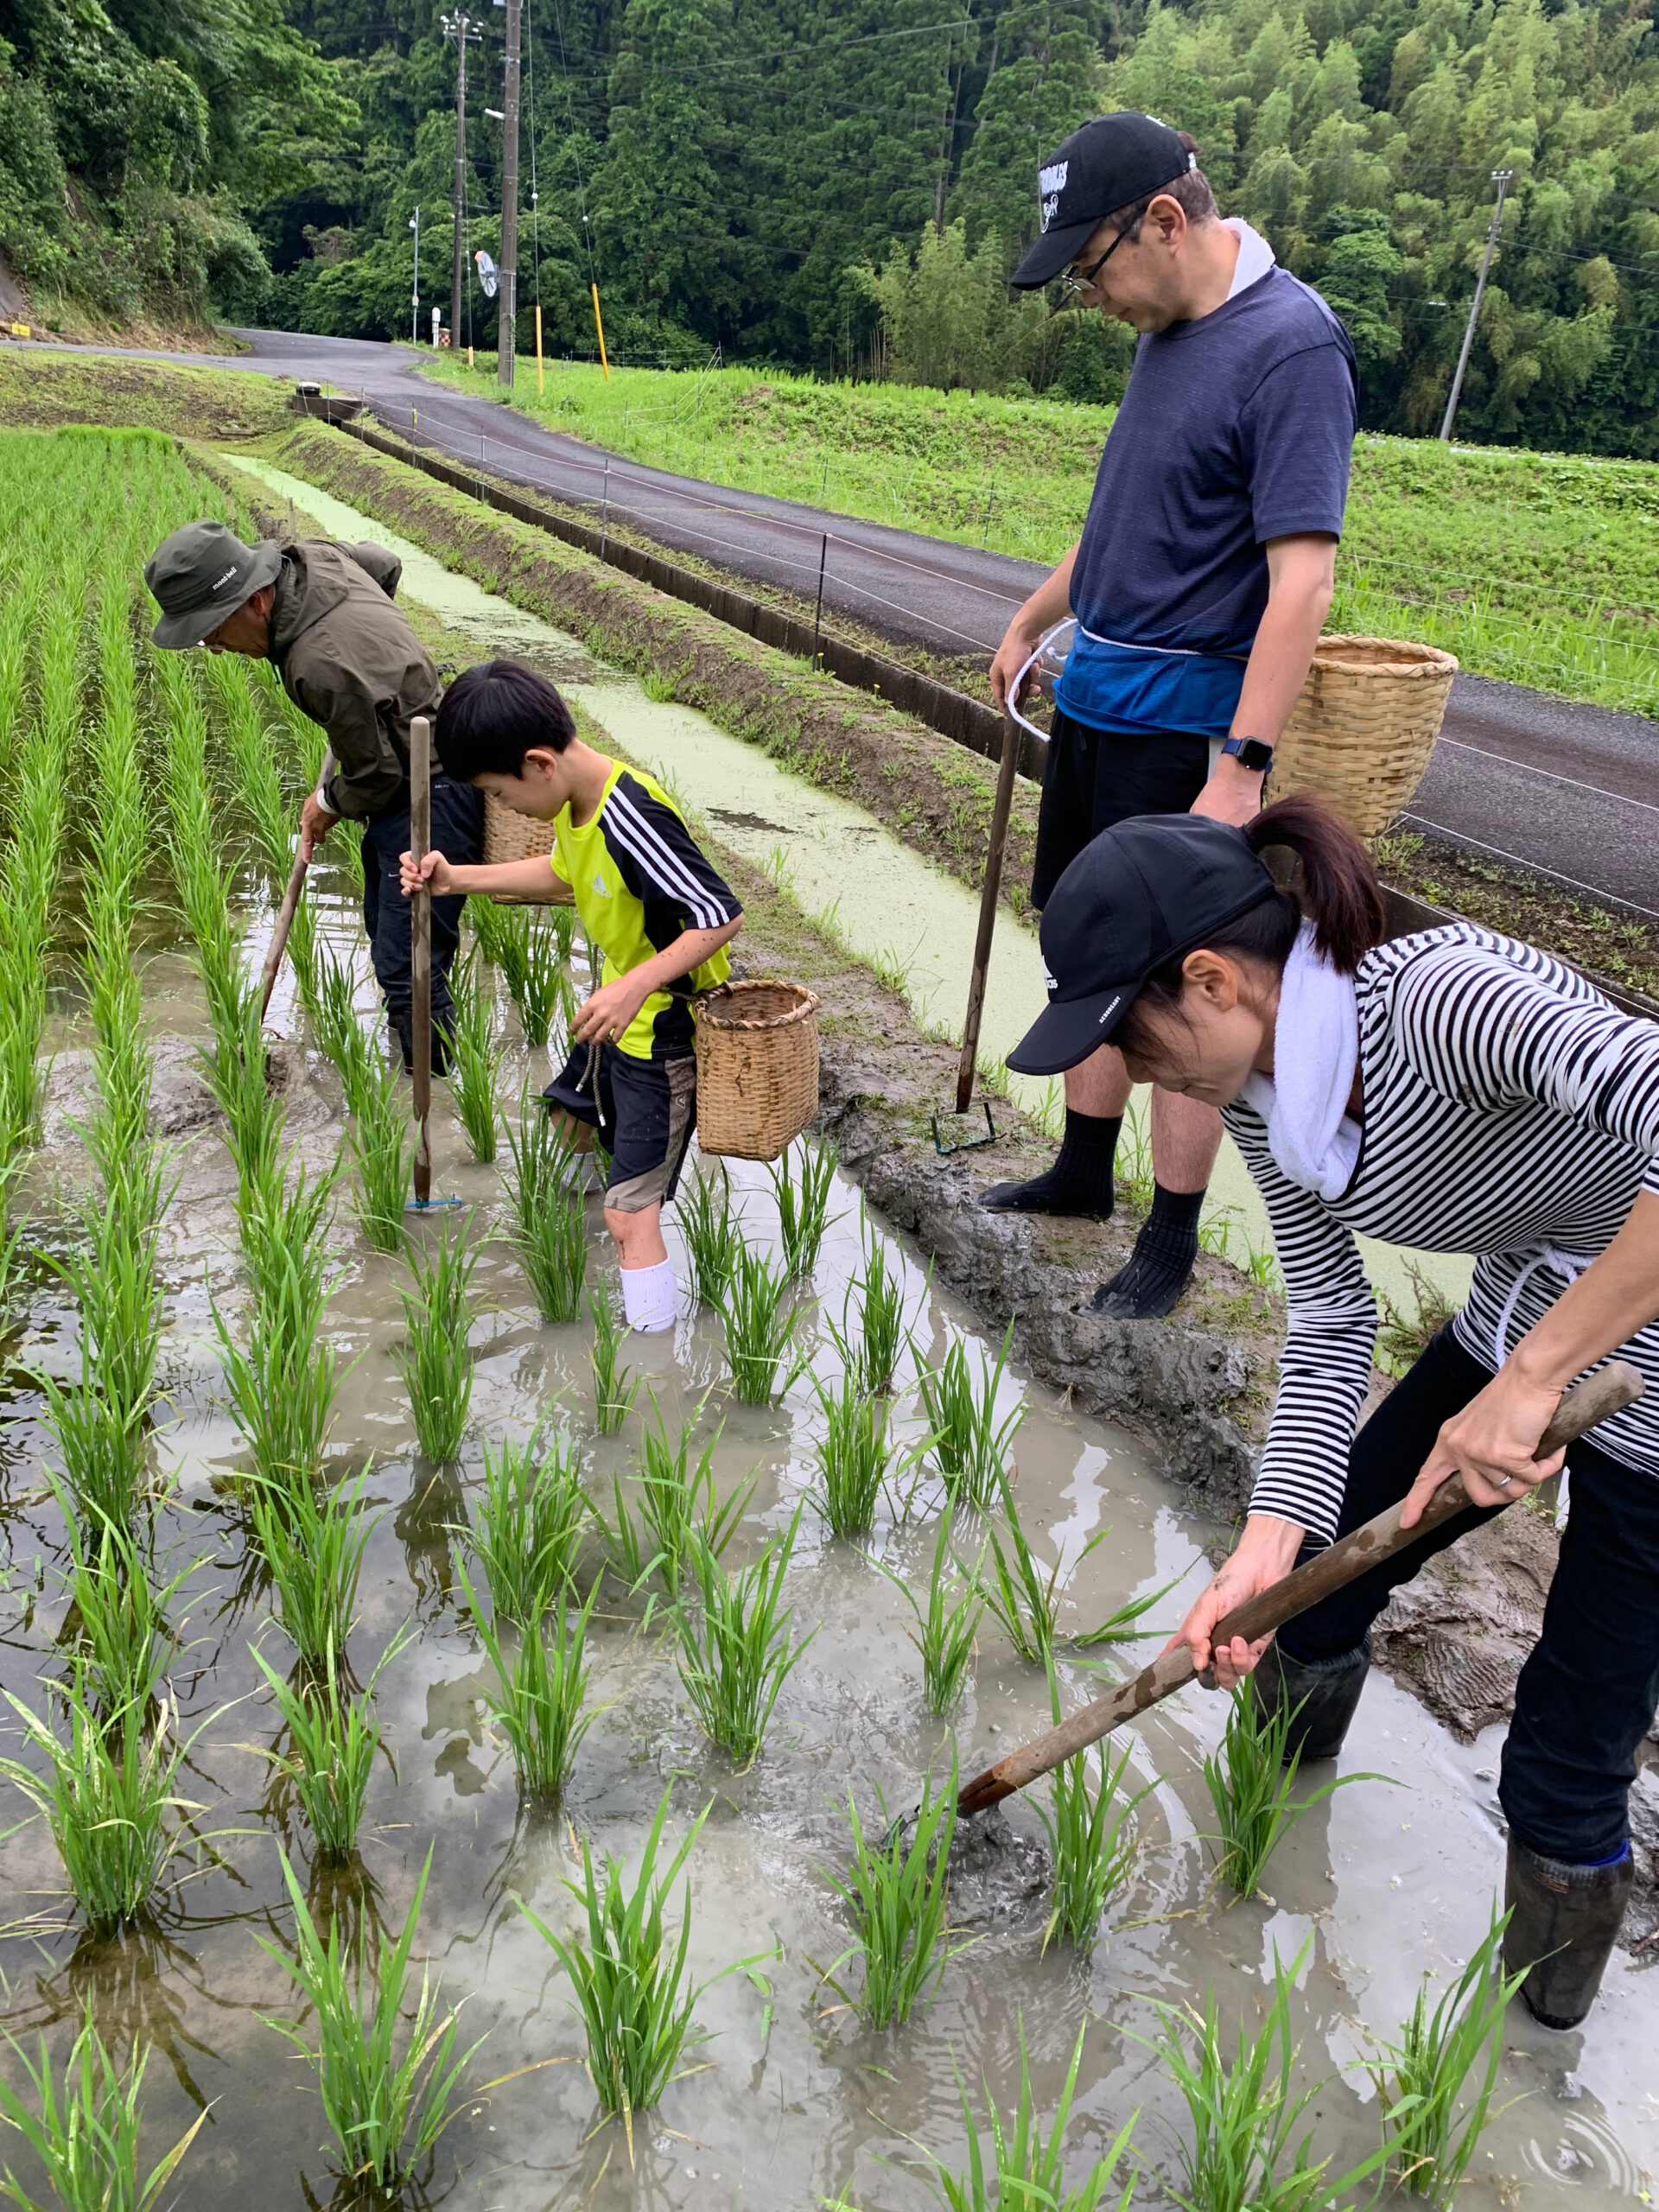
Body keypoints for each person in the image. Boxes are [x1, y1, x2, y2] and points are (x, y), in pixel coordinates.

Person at [1003, 792, 1659, 2031]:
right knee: (1310, 1596)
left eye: (1128, 1038)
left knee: (1569, 1753)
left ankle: (1525, 2056)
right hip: (1528, 1305)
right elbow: (1329, 1320)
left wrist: (1532, 1382)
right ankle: (1264, 1815)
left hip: (1648, 1353)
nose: (1128, 1070)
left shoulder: (1441, 1003)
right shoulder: (1268, 1097)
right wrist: (1262, 1554)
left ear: (1208, 979)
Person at [981, 110, 1357, 1323]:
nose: (1091, 297)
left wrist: (1240, 768)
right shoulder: (1167, 328)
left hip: (1184, 732)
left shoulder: (1290, 346)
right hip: (1099, 697)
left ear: (1163, 221)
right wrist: (1035, 617)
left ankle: (1171, 1237)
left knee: (1175, 981)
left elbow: (1303, 576)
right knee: (1091, 943)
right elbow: (1119, 524)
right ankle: (1084, 1173)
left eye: (1091, 270)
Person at [400, 661, 743, 1333]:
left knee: (629, 1214)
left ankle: (649, 1362)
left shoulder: (631, 814)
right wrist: (454, 878)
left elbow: (719, 913)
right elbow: (563, 871)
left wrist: (633, 985)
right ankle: (567, 1256)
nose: (504, 809)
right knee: (570, 1122)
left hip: (663, 1031)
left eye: (500, 794)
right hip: (616, 1020)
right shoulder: (576, 806)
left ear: (538, 764)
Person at [143, 518, 484, 1071]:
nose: (215, 649)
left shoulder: (317, 663)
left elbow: (378, 776)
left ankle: (444, 1093)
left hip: (430, 790)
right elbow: (384, 563)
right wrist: (375, 652)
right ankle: (426, 1070)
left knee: (408, 966)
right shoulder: (311, 558)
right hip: (406, 774)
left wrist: (325, 802)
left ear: (255, 601)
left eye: (214, 630)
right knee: (389, 937)